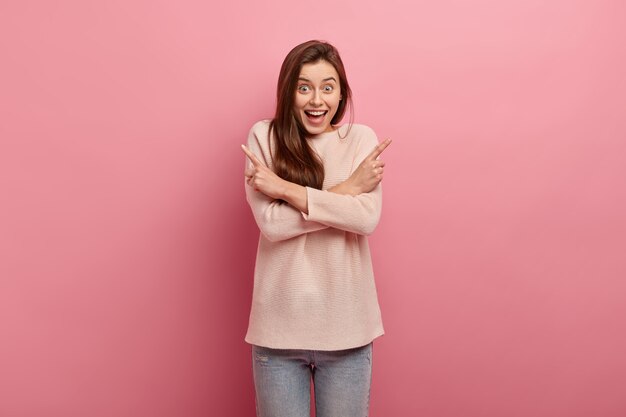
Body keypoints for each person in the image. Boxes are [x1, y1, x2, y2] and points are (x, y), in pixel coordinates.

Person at [241, 40, 391, 417]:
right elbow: (273, 224)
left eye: (328, 86)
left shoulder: (360, 140)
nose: (316, 100)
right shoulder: (264, 137)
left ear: (342, 93)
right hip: (278, 332)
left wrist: (285, 190)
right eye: (304, 87)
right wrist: (346, 192)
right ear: (288, 90)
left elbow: (366, 218)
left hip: (348, 331)